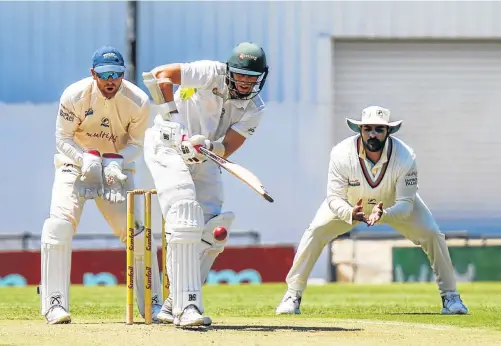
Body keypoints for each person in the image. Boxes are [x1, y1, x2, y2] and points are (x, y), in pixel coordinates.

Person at [275, 106, 469, 316]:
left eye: (379, 129)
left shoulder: (405, 157)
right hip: (349, 205)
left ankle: (450, 296)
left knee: (433, 234)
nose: (373, 134)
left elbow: (406, 204)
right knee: (316, 231)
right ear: (360, 130)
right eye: (368, 129)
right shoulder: (341, 153)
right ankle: (292, 295)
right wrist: (350, 213)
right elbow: (333, 198)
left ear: (388, 132)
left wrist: (384, 214)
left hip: (391, 204)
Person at [141, 42, 269, 327]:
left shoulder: (255, 107)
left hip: (204, 156)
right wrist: (174, 122)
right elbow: (161, 74)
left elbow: (229, 145)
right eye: (241, 75)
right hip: (167, 147)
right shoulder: (210, 72)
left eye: (253, 77)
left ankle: (174, 302)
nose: (246, 82)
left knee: (215, 232)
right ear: (229, 70)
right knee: (184, 216)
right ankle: (188, 306)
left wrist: (209, 145)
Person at [39, 46, 162, 324]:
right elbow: (63, 139)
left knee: (137, 233)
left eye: (117, 74)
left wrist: (115, 160)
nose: (111, 80)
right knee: (59, 225)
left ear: (123, 74)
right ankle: (54, 303)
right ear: (93, 73)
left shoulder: (138, 100)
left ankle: (153, 304)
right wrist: (85, 160)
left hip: (115, 171)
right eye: (105, 74)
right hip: (75, 167)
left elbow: (138, 144)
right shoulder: (74, 95)